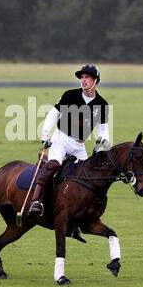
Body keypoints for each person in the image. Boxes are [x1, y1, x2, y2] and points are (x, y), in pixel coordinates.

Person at [28, 64, 110, 221]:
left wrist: (103, 142)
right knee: (53, 165)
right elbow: (53, 114)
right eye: (82, 77)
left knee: (87, 176)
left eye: (88, 77)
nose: (83, 80)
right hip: (61, 139)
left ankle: (79, 215)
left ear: (96, 81)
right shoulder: (70, 95)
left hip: (79, 146)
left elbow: (103, 129)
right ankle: (36, 202)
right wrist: (46, 134)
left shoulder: (102, 104)